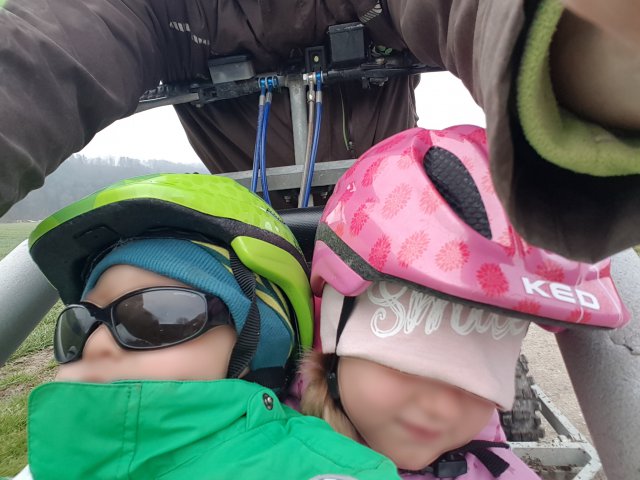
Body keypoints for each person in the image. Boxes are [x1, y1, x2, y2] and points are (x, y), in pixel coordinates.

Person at [1, 1, 639, 261]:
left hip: (398, 226)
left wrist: (583, 51)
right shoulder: (160, 10)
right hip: (255, 236)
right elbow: (45, 55)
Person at [17, 173, 401, 479]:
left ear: (256, 346)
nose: (95, 343)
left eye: (153, 316)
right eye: (79, 323)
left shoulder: (321, 467)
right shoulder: (45, 462)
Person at [297, 126, 629, 479]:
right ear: (335, 323)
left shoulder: (492, 468)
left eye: (479, 381)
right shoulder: (260, 443)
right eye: (407, 365)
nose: (441, 408)